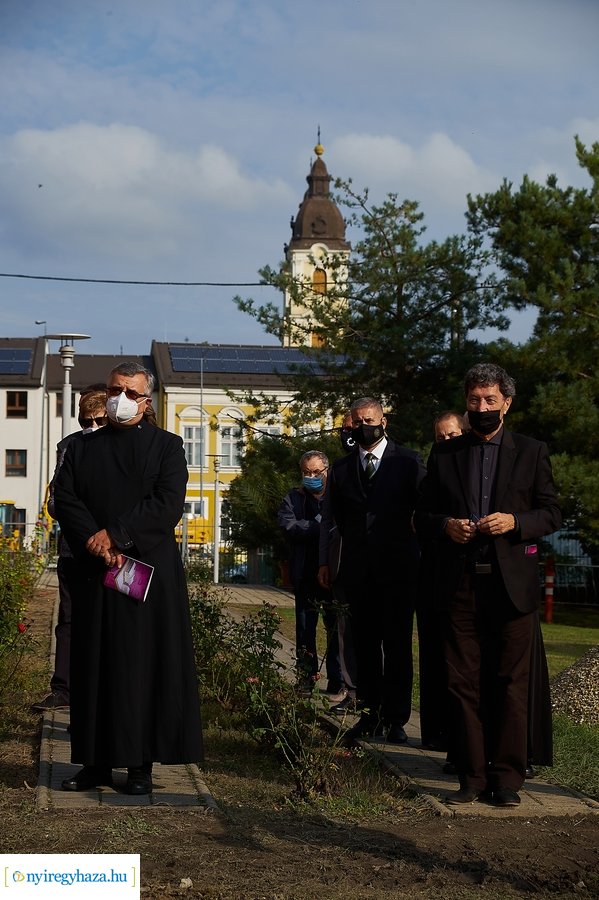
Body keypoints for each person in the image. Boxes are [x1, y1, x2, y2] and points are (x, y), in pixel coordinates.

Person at [414, 363, 561, 807]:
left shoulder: (531, 451)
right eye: (475, 400)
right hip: (458, 584)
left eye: (490, 400)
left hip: (511, 587)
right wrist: (446, 527)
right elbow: (421, 516)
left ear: (507, 403)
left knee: (510, 683)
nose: (481, 407)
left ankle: (508, 779)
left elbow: (552, 513)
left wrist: (516, 521)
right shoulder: (444, 454)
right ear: (466, 402)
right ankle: (471, 775)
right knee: (463, 682)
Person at [54, 361, 203, 794]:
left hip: (145, 574)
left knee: (141, 668)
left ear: (147, 399)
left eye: (132, 393)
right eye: (116, 390)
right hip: (93, 569)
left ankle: (140, 765)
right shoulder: (82, 448)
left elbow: (167, 503)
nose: (122, 399)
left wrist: (116, 535)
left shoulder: (167, 447)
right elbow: (65, 497)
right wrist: (96, 540)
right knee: (92, 665)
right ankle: (94, 764)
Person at [318, 397, 426, 744]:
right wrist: (325, 561)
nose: (363, 426)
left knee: (396, 645)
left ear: (383, 421)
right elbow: (330, 520)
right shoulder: (342, 468)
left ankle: (395, 718)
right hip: (358, 570)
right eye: (357, 422)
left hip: (398, 569)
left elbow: (426, 510)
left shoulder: (409, 462)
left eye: (369, 420)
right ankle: (370, 711)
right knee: (364, 645)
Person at [31, 386, 108, 713]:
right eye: (85, 421)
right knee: (69, 620)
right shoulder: (70, 447)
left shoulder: (122, 449)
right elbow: (54, 502)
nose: (91, 428)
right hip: (74, 552)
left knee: (109, 625)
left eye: (99, 420)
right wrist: (87, 529)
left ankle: (105, 692)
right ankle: (63, 688)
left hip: (113, 554)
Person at [416, 411, 466, 750]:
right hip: (434, 574)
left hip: (464, 577)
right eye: (440, 438)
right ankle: (436, 732)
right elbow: (420, 517)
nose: (446, 442)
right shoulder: (433, 474)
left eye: (452, 435)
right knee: (434, 658)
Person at [277, 450, 343, 695]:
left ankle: (337, 680)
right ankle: (306, 678)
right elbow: (288, 526)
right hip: (305, 574)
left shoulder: (336, 498)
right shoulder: (294, 498)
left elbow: (342, 527)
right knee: (305, 630)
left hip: (333, 575)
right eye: (306, 472)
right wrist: (320, 527)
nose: (311, 476)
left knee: (335, 629)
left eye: (316, 472)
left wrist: (318, 528)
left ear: (326, 471)